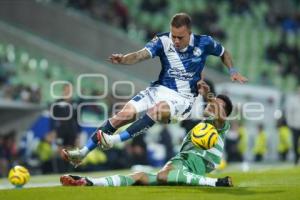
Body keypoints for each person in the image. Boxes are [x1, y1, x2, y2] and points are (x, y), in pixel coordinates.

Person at [62, 12, 247, 167]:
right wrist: (124, 59)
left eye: (180, 37)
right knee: (122, 115)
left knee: (157, 110)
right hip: (158, 89)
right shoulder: (163, 40)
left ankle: (114, 141)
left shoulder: (204, 43)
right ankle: (82, 153)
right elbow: (140, 55)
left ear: (190, 33)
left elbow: (224, 53)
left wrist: (233, 71)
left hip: (182, 100)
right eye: (173, 35)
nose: (175, 40)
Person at [60, 81, 233, 187]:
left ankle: (217, 182)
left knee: (163, 175)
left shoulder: (220, 125)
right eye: (211, 103)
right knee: (139, 177)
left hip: (196, 163)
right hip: (182, 161)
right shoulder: (200, 123)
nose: (211, 105)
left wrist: (210, 96)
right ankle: (90, 182)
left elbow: (220, 115)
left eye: (216, 104)